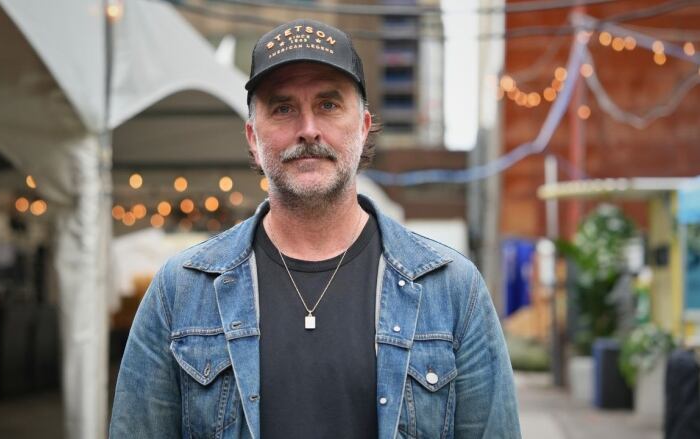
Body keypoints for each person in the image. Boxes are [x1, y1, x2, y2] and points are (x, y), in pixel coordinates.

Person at [110, 18, 520, 439]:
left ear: (362, 128)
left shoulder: (452, 290)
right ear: (253, 137)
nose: (307, 130)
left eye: (328, 104)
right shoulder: (181, 292)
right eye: (283, 108)